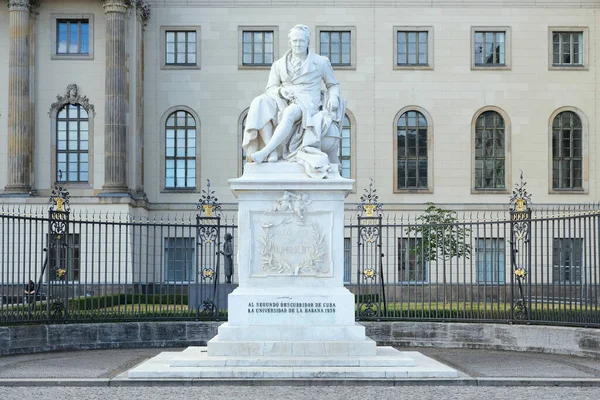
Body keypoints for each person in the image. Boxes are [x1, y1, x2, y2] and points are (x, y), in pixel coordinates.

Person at [242, 24, 342, 176]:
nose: (298, 44)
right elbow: (270, 88)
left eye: (301, 41)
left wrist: (334, 96)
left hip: (308, 101)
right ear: (290, 42)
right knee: (259, 102)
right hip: (283, 98)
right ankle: (272, 151)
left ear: (308, 42)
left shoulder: (320, 62)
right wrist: (281, 91)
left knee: (290, 112)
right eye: (295, 41)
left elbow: (332, 84)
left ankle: (265, 151)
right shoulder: (278, 64)